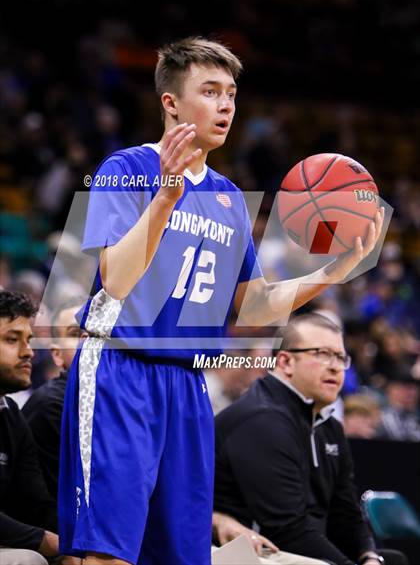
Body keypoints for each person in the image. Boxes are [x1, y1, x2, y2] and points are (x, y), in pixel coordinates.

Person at [58, 37, 384, 565]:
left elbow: (254, 308)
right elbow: (114, 280)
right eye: (210, 92)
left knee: (183, 556)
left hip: (188, 385)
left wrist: (335, 271)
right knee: (108, 554)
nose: (226, 105)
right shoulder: (126, 169)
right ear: (171, 103)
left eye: (231, 93)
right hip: (120, 369)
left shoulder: (230, 198)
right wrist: (164, 199)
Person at [214, 313, 407, 565]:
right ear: (285, 362)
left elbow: (346, 513)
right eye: (322, 354)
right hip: (246, 551)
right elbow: (287, 530)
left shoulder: (329, 426)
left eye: (340, 357)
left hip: (296, 549)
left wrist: (369, 556)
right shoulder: (260, 419)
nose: (335, 366)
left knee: (392, 560)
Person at [0, 290, 58, 565]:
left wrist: (83, 543)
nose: (29, 352)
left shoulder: (11, 414)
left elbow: (37, 503)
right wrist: (44, 541)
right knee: (28, 560)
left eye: (29, 340)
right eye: (12, 339)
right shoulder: (47, 405)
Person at [23, 298, 87, 499]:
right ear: (57, 355)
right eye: (76, 334)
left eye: (96, 333)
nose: (88, 341)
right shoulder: (53, 404)